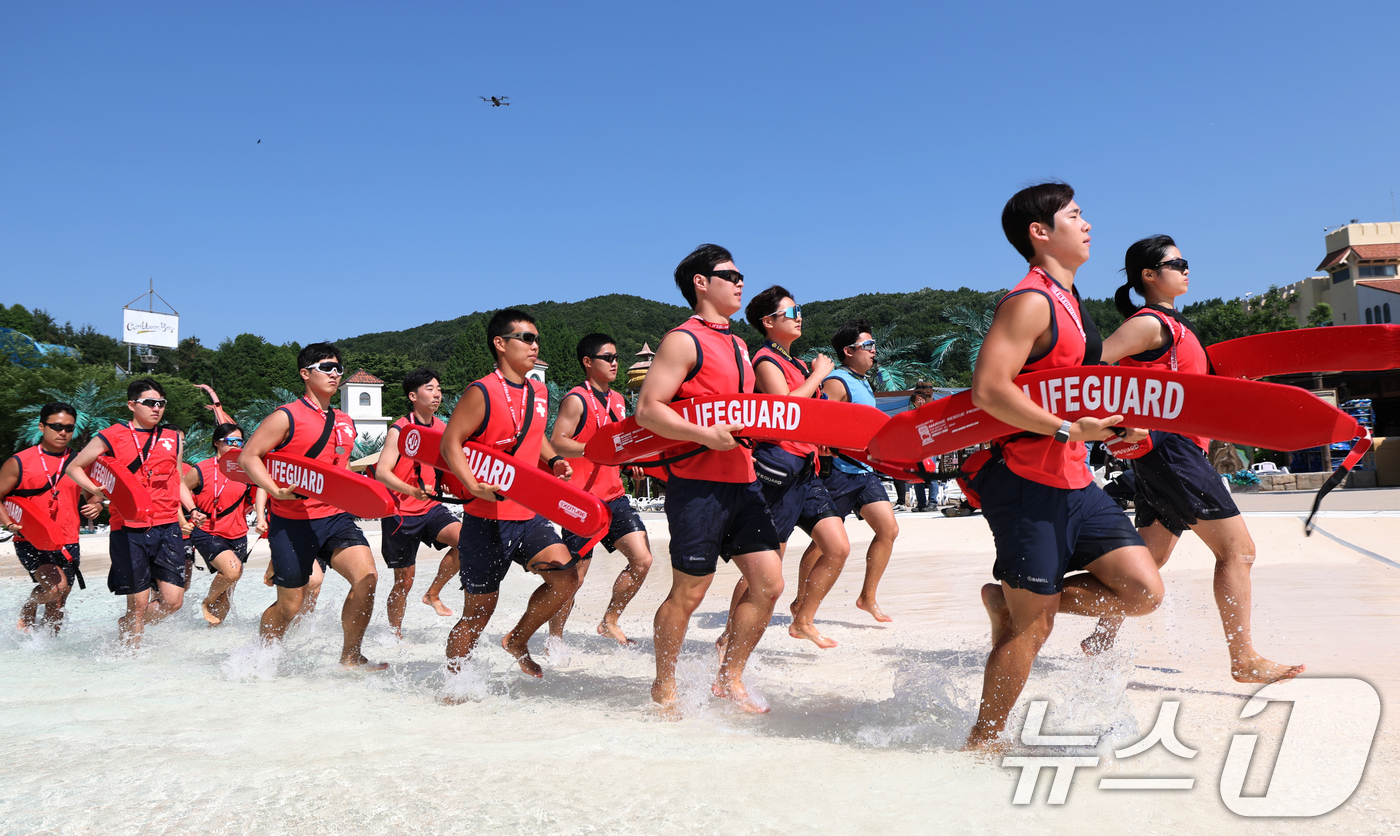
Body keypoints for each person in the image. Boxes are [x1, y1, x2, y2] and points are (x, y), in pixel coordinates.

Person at [963, 183, 1163, 749]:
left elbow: (1078, 391)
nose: (1088, 224)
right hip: (1027, 478)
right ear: (1040, 232)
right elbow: (988, 390)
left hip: (1077, 477)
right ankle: (983, 739)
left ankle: (1010, 598)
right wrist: (1064, 429)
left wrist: (1121, 426)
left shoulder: (1074, 303)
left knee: (1143, 592)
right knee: (1035, 627)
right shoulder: (1029, 301)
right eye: (1075, 215)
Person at [1078, 235, 1304, 683]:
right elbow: (1087, 367)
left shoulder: (1177, 325)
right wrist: (1119, 421)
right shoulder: (1148, 325)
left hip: (1167, 453)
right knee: (1238, 552)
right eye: (1175, 262)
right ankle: (1244, 659)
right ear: (1148, 275)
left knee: (1148, 560)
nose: (1186, 268)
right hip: (1171, 452)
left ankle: (1089, 632)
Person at [636, 244, 782, 716]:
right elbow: (648, 408)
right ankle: (665, 682)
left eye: (742, 275)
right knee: (691, 592)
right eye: (730, 275)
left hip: (744, 481)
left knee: (769, 583)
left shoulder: (740, 344)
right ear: (701, 282)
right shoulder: (682, 340)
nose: (741, 282)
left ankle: (730, 674)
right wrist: (702, 435)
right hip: (696, 484)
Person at [439, 309, 581, 678]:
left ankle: (517, 639)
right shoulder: (481, 391)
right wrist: (471, 484)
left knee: (565, 577)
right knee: (478, 613)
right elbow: (450, 442)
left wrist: (553, 461)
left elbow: (536, 438)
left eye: (536, 338)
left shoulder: (538, 389)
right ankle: (455, 682)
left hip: (528, 513)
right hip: (486, 520)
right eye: (526, 338)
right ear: (500, 344)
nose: (535, 346)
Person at [238, 343, 385, 670]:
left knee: (367, 579)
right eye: (326, 367)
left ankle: (351, 656)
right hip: (292, 523)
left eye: (339, 369)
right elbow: (249, 456)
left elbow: (340, 470)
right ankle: (264, 654)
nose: (335, 374)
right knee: (291, 605)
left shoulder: (346, 421)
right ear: (306, 373)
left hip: (335, 519)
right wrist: (274, 489)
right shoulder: (285, 416)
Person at [718, 285, 849, 649]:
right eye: (792, 312)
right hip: (779, 472)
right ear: (769, 321)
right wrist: (819, 375)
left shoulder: (797, 363)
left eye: (798, 310)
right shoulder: (765, 360)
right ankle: (731, 632)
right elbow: (783, 407)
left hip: (808, 470)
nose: (799, 317)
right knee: (767, 564)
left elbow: (812, 413)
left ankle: (802, 619)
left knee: (837, 547)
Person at [67, 378, 201, 647]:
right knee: (138, 601)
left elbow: (177, 477)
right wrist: (98, 490)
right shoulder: (112, 435)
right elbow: (75, 467)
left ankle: (129, 623)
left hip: (166, 526)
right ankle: (131, 653)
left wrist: (192, 507)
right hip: (128, 526)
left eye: (161, 404)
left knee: (173, 601)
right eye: (150, 403)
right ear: (132, 405)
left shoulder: (172, 437)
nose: (157, 408)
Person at [547, 333, 654, 646]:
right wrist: (594, 451)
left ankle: (609, 620)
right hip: (580, 501)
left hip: (614, 497)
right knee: (574, 578)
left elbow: (618, 447)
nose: (615, 363)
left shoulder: (619, 400)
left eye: (617, 357)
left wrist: (630, 462)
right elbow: (557, 441)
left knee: (642, 560)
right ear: (588, 362)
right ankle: (555, 638)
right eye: (608, 357)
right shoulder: (576, 399)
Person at [809, 318, 901, 622]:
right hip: (838, 471)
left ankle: (867, 597)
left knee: (888, 530)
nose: (875, 351)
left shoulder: (862, 381)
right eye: (869, 345)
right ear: (849, 351)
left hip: (863, 472)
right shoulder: (838, 381)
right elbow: (816, 417)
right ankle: (802, 601)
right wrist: (821, 442)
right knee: (822, 543)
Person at [375, 367, 464, 639]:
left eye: (438, 389)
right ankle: (395, 634)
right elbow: (382, 472)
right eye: (429, 389)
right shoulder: (399, 429)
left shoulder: (443, 428)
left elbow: (450, 464)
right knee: (404, 581)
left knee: (467, 541)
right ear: (413, 396)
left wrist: (450, 480)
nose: (436, 394)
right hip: (399, 513)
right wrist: (410, 491)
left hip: (430, 508)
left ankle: (433, 593)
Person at [0, 403, 102, 634]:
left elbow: (94, 495)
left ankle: (48, 649)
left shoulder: (79, 462)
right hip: (31, 540)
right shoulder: (18, 462)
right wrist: (8, 523)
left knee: (59, 601)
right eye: (56, 426)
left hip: (68, 541)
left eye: (69, 428)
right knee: (56, 588)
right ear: (41, 427)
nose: (63, 432)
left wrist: (95, 506)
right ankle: (29, 605)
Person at [183, 423, 267, 626]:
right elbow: (179, 488)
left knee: (229, 589)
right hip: (207, 531)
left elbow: (262, 487)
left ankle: (213, 633)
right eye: (230, 441)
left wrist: (261, 517)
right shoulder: (201, 469)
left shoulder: (246, 468)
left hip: (238, 533)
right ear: (216, 443)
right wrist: (191, 512)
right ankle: (207, 601)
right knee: (232, 570)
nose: (236, 445)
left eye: (239, 441)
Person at [894, 381, 936, 511]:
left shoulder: (930, 412)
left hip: (930, 447)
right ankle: (921, 503)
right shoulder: (911, 415)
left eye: (922, 399)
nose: (921, 401)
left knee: (931, 473)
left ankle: (933, 503)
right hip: (916, 447)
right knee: (918, 475)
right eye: (918, 399)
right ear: (914, 402)